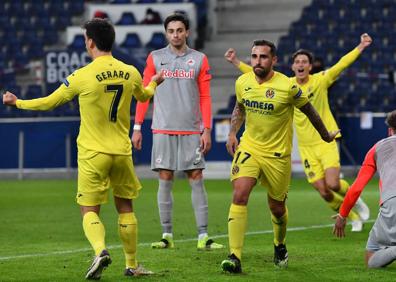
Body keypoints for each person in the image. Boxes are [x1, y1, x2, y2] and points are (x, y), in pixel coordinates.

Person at [3, 18, 164, 280]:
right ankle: (132, 265)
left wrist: (17, 102)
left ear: (90, 42)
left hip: (93, 153)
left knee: (89, 210)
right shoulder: (130, 71)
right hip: (122, 152)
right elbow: (145, 96)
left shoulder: (82, 76)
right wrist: (155, 82)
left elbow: (48, 102)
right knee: (125, 207)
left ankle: (100, 250)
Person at [224, 33, 373, 232]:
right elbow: (254, 72)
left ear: (310, 66)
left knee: (333, 184)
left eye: (304, 62)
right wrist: (235, 61)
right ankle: (353, 217)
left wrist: (361, 46)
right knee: (323, 191)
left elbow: (341, 64)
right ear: (293, 66)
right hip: (305, 146)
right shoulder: (287, 85)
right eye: (297, 62)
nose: (301, 65)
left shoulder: (320, 80)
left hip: (325, 141)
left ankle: (356, 200)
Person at [220, 39, 339, 273]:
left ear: (273, 60)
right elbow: (239, 107)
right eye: (254, 56)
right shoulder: (242, 81)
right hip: (250, 148)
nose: (257, 61)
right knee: (240, 193)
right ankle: (234, 256)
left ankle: (280, 244)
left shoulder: (287, 87)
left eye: (263, 57)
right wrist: (233, 133)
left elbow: (310, 111)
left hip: (277, 156)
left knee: (277, 208)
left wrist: (326, 135)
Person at [132, 13, 223, 250]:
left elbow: (205, 96)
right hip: (162, 128)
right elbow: (144, 94)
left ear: (187, 32)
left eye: (179, 30)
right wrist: (138, 127)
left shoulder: (200, 59)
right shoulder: (155, 58)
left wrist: (206, 129)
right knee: (165, 178)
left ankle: (203, 236)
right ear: (166, 33)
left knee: (196, 178)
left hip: (192, 130)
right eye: (171, 31)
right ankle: (166, 235)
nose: (175, 34)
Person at [334, 110, 396, 268]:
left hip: (392, 204)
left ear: (390, 130)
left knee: (371, 256)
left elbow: (356, 188)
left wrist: (342, 215)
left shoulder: (377, 148)